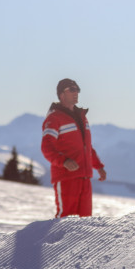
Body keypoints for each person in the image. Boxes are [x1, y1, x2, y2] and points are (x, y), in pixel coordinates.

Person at [41, 78, 106, 218]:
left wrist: (98, 166)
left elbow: (86, 147)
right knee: (65, 220)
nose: (76, 93)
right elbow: (46, 147)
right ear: (61, 94)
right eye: (72, 90)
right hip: (66, 178)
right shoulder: (54, 118)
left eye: (77, 90)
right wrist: (64, 161)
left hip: (85, 178)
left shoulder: (82, 117)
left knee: (85, 223)